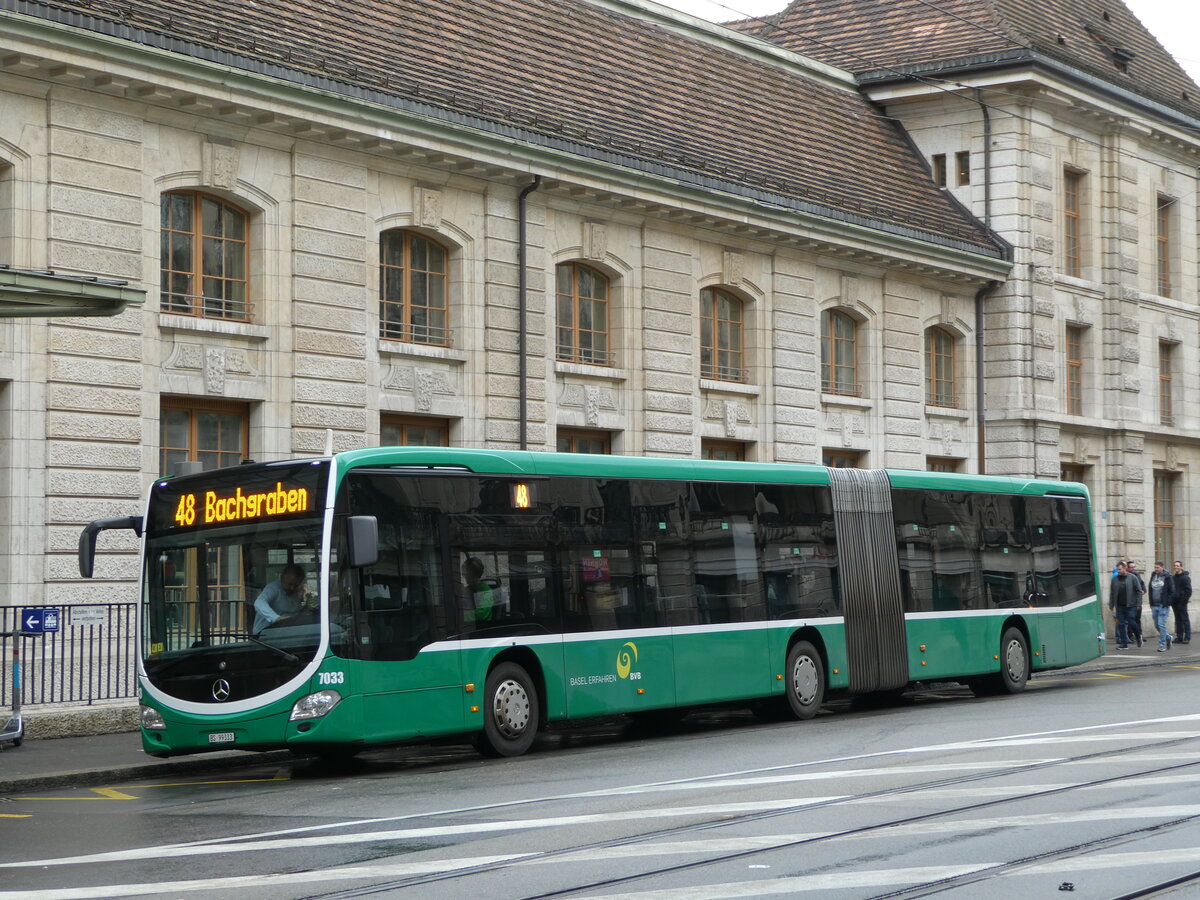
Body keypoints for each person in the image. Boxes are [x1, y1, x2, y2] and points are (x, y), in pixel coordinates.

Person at [252, 564, 306, 634]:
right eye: (290, 584)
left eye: (296, 585)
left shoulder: (296, 592)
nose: (292, 588)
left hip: (286, 632)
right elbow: (259, 602)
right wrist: (276, 618)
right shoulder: (273, 588)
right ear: (282, 577)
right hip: (264, 634)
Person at [1109, 561, 1142, 650]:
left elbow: (1139, 591)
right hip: (1119, 605)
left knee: (1131, 621)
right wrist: (1111, 604)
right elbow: (1112, 593)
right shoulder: (1114, 579)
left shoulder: (1132, 578)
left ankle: (1138, 637)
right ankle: (1124, 643)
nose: (1118, 571)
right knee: (1121, 624)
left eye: (1120, 569)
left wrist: (1138, 603)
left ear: (1125, 568)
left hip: (1131, 605)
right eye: (1117, 570)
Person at [1147, 561, 1176, 651]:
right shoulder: (1153, 576)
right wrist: (1151, 603)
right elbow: (1150, 589)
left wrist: (1167, 603)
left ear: (1162, 567)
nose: (1156, 569)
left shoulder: (1167, 577)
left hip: (1163, 605)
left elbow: (1172, 591)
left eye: (1157, 567)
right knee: (1157, 625)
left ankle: (1162, 645)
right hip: (1154, 605)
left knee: (1161, 624)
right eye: (1155, 567)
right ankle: (1168, 637)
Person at [461, 557, 494, 623]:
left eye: (466, 574)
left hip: (482, 627)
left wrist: (461, 615)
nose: (464, 577)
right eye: (463, 574)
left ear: (474, 574)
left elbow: (483, 614)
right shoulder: (468, 589)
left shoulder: (486, 591)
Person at [1126, 560, 1146, 648]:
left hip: (1138, 601)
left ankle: (1140, 635)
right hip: (1130, 602)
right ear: (1128, 568)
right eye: (1132, 567)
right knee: (1131, 619)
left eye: (1134, 567)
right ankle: (1130, 636)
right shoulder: (1127, 577)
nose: (1134, 568)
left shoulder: (1137, 575)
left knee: (1137, 619)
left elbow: (1142, 584)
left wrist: (1143, 590)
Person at [1173, 560, 1192, 644]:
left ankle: (1187, 637)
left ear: (1181, 567)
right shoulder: (1173, 578)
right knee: (1178, 620)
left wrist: (1183, 602)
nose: (1176, 567)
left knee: (1185, 620)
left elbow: (1189, 591)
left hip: (1182, 603)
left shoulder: (1185, 578)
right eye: (1175, 566)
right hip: (1175, 603)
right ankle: (1179, 637)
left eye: (1177, 565)